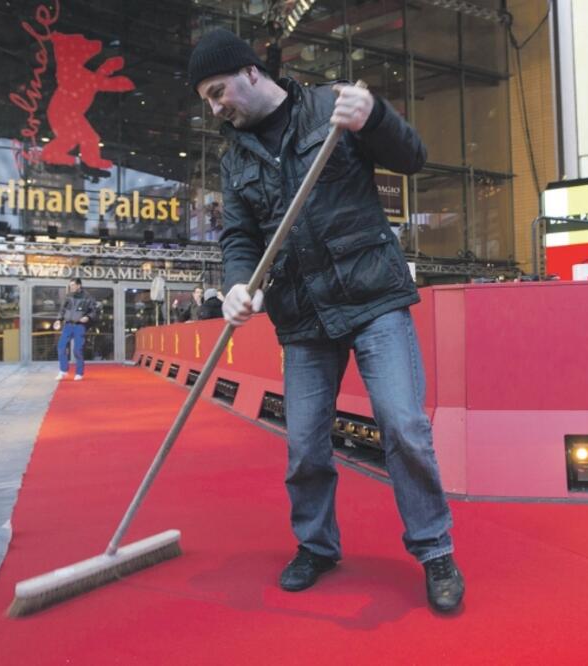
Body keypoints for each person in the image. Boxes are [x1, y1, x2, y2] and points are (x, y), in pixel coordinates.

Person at [189, 28, 463, 612]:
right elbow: (239, 237)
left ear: (251, 72)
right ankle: (316, 545)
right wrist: (236, 284)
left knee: (403, 424)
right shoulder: (234, 159)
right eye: (207, 100)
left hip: (372, 295)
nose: (216, 109)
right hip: (302, 313)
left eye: (218, 92)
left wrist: (375, 117)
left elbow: (412, 157)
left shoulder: (332, 107)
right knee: (305, 444)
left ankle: (435, 548)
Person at [53, 278, 97, 381]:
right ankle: (63, 371)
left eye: (73, 285)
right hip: (68, 325)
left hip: (79, 326)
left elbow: (94, 311)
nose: (71, 287)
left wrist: (88, 317)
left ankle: (79, 373)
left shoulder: (88, 298)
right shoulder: (68, 296)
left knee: (77, 350)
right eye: (70, 285)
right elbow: (62, 310)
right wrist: (59, 320)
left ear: (79, 285)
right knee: (61, 346)